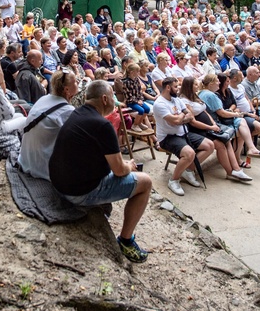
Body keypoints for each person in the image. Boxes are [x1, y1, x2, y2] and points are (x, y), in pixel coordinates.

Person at [49, 80, 153, 263]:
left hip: (60, 181)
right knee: (145, 182)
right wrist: (129, 165)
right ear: (105, 99)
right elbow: (120, 170)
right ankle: (126, 240)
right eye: (113, 95)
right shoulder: (102, 125)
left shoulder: (77, 113)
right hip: (77, 192)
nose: (115, 100)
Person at [152, 77, 214, 196]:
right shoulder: (159, 104)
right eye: (176, 87)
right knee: (189, 153)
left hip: (183, 132)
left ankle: (189, 170)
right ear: (168, 87)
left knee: (210, 145)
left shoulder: (177, 99)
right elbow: (175, 120)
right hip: (168, 137)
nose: (178, 89)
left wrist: (179, 118)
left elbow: (189, 116)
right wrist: (181, 117)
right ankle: (174, 180)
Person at [18, 70, 78, 180]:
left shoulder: (44, 99)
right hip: (42, 168)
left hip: (26, 159)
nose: (77, 83)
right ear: (67, 90)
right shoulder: (67, 111)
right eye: (75, 82)